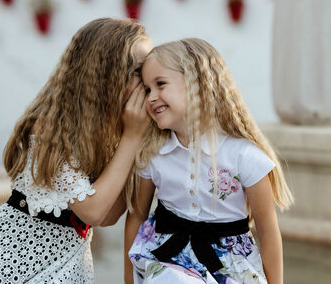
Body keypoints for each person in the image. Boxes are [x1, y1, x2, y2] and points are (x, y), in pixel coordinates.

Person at [0, 17, 152, 283]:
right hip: (15, 258)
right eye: (138, 71)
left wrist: (138, 142)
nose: (146, 81)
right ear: (107, 73)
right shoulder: (48, 128)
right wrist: (132, 138)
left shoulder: (109, 132)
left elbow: (109, 216)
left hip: (67, 259)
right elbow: (94, 211)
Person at [124, 38, 294, 284]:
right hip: (166, 259)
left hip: (230, 265)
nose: (151, 97)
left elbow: (268, 231)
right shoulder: (152, 154)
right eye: (148, 89)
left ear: (198, 85)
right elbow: (137, 216)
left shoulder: (245, 157)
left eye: (160, 84)